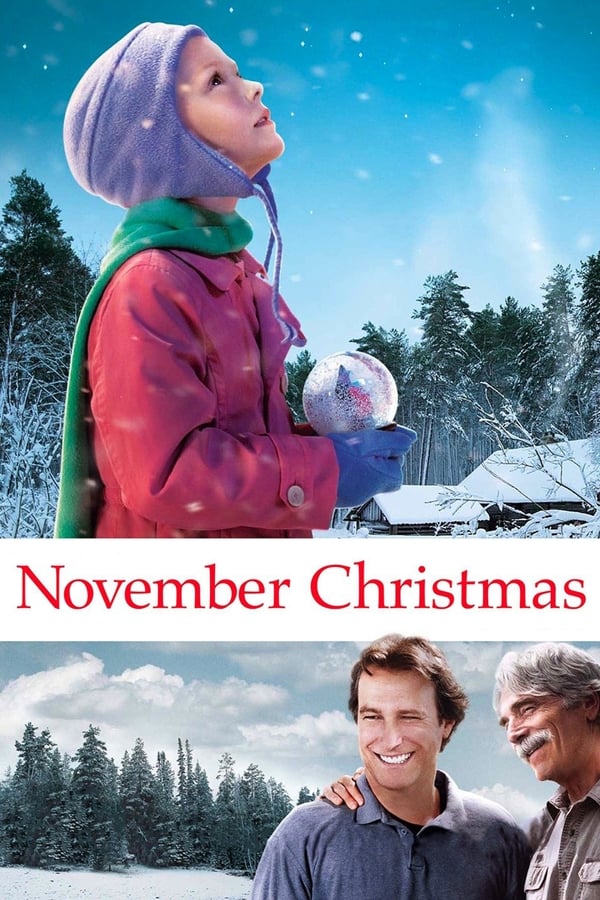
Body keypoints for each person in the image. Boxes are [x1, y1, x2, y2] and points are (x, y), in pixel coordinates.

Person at [54, 22, 416, 538]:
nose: (254, 87)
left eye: (239, 73)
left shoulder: (233, 273)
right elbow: (169, 473)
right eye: (216, 82)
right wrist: (323, 471)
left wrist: (327, 448)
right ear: (163, 142)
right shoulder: (151, 283)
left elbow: (232, 438)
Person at [251, 634, 530, 899]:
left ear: (446, 724)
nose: (391, 739)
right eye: (372, 717)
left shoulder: (499, 833)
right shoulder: (302, 836)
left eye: (409, 717)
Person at [494, 642, 600, 899]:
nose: (513, 734)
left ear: (589, 703)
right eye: (506, 722)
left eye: (527, 709)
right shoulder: (537, 832)